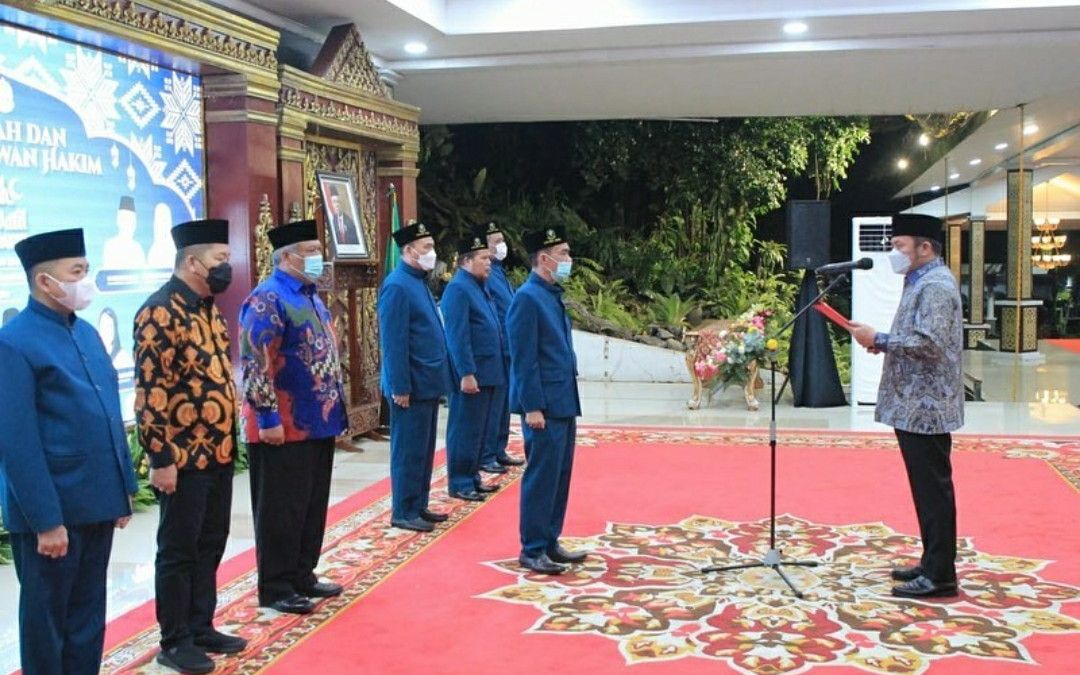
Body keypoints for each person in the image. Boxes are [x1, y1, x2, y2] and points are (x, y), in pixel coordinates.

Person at [0, 228, 138, 675]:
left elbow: (108, 411)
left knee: (87, 617)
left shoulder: (87, 333)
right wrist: (46, 521)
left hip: (95, 501)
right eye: (77, 272)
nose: (86, 280)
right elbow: (17, 441)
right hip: (54, 509)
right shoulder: (14, 341)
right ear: (45, 281)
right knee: (47, 622)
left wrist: (123, 487)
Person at [133, 218, 245, 673]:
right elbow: (150, 392)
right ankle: (175, 639)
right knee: (179, 549)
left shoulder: (208, 308)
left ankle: (201, 624)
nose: (226, 266)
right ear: (193, 262)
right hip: (181, 458)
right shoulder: (160, 311)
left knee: (211, 541)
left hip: (218, 452)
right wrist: (160, 457)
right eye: (220, 258)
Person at [849, 213, 964, 599]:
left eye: (899, 246)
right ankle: (932, 562)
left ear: (925, 247)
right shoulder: (919, 279)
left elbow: (929, 343)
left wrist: (880, 339)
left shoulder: (936, 285)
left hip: (927, 406)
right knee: (925, 489)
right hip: (915, 402)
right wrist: (881, 341)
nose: (893, 253)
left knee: (933, 490)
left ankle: (941, 575)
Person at [240, 219, 347, 615]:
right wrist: (267, 417)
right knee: (281, 509)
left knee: (310, 505)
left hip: (318, 421)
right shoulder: (267, 298)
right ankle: (276, 585)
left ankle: (303, 573)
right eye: (311, 251)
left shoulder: (312, 295)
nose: (319, 258)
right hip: (283, 425)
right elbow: (255, 361)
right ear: (286, 257)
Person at [506, 226, 585, 575]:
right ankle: (533, 548)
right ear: (544, 258)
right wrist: (532, 406)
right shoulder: (527, 297)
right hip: (544, 405)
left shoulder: (551, 294)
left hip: (562, 399)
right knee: (542, 476)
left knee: (559, 475)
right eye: (563, 253)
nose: (568, 259)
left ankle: (551, 540)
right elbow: (523, 358)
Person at [378, 222, 452, 532]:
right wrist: (400, 387)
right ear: (408, 251)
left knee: (423, 450)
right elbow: (394, 343)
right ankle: (404, 510)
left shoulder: (418, 281)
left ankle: (419, 504)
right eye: (426, 248)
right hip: (410, 384)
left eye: (432, 247)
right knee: (408, 450)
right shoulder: (397, 286)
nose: (431, 253)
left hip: (428, 382)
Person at [442, 233, 505, 502]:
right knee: (465, 429)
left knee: (479, 430)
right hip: (472, 373)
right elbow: (458, 336)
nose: (489, 262)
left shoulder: (480, 285)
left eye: (489, 258)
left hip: (488, 370)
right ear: (466, 261)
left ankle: (473, 476)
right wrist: (466, 372)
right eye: (483, 258)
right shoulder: (458, 288)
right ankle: (460, 481)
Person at [478, 222, 524, 473]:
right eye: (495, 242)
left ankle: (498, 449)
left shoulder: (498, 271)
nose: (501, 246)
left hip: (507, 348)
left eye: (501, 240)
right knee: (493, 407)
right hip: (497, 349)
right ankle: (487, 454)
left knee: (503, 405)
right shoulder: (486, 274)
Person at [102, 196, 147, 269]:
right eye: (126, 220)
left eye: (132, 221)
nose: (130, 225)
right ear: (119, 221)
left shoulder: (137, 247)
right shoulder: (110, 245)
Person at [146, 203, 178, 268]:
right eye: (158, 219)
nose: (161, 224)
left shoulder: (174, 249)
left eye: (164, 220)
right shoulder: (153, 249)